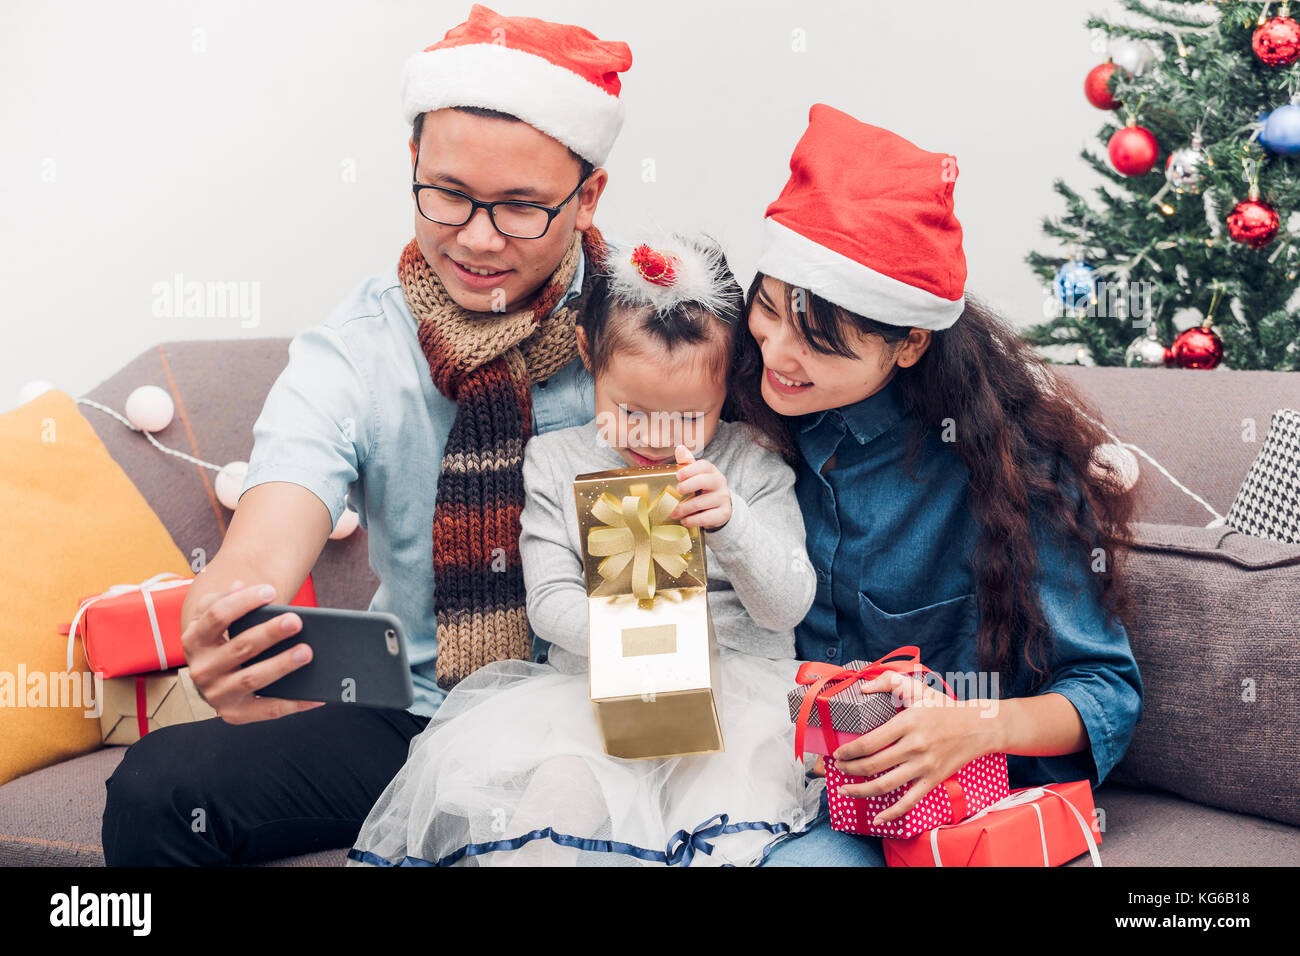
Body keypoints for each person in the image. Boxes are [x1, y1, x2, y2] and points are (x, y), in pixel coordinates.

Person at [100, 5, 633, 865]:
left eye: (521, 208)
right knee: (161, 787)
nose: (478, 239)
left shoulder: (658, 339)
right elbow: (264, 542)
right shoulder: (355, 353)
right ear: (414, 163)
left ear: (590, 195)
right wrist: (224, 616)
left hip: (611, 715)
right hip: (420, 717)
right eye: (450, 194)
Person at [736, 105, 1145, 867]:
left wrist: (973, 726)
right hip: (742, 765)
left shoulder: (1009, 470)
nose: (778, 355)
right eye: (768, 311)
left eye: (819, 341)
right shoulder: (737, 413)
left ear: (910, 342)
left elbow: (1105, 689)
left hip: (896, 808)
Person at [347, 234, 824, 866]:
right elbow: (548, 605)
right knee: (557, 804)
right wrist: (645, 639)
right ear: (587, 357)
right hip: (596, 698)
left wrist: (732, 524)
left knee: (729, 827)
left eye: (687, 420)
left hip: (739, 706)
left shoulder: (750, 461)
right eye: (628, 411)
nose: (654, 438)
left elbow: (788, 604)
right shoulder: (557, 462)